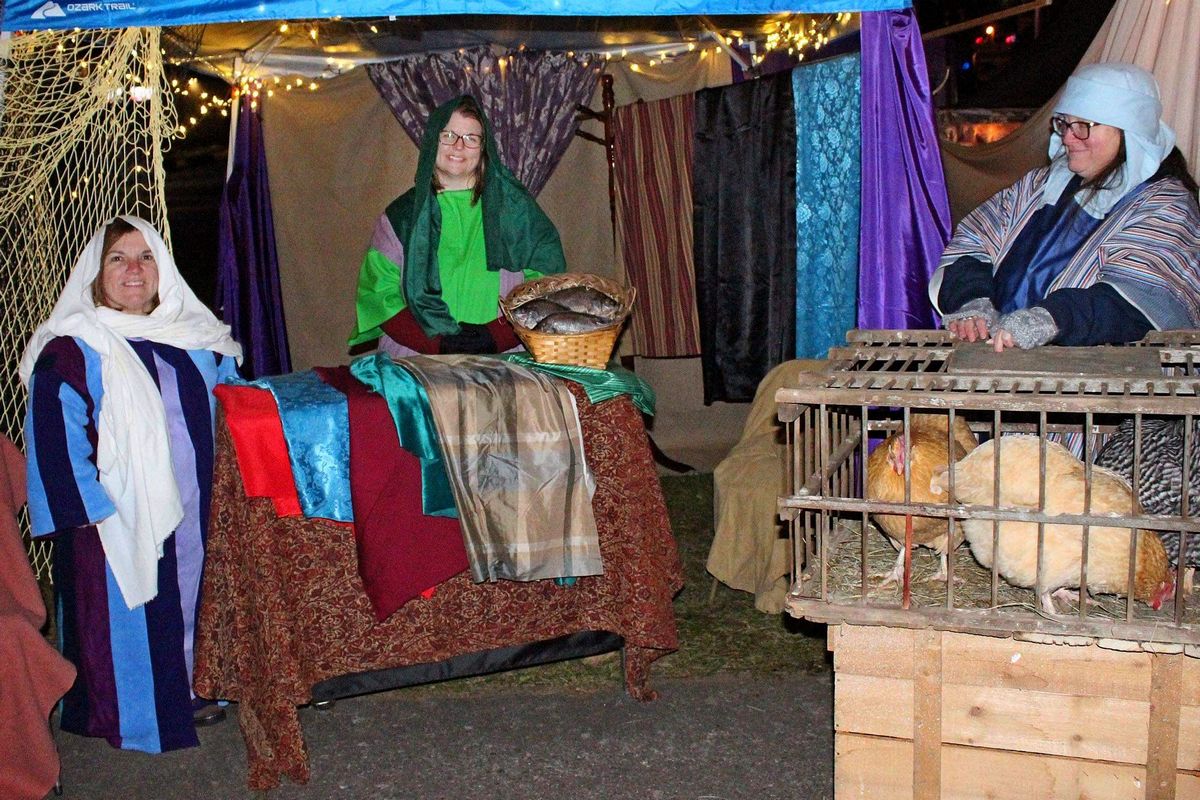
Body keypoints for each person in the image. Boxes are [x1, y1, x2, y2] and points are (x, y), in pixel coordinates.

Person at [20, 216, 242, 753]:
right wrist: (91, 514)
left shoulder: (199, 340)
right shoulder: (72, 349)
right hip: (114, 518)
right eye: (118, 258)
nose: (134, 269)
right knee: (122, 614)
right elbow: (52, 433)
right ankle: (133, 711)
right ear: (97, 274)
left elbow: (237, 414)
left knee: (196, 595)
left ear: (163, 270)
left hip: (198, 508)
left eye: (146, 257)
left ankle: (203, 685)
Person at [930, 63, 1200, 351]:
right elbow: (973, 243)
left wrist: (1052, 319)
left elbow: (1143, 297)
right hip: (1003, 365)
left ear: (1129, 131)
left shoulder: (1165, 205)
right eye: (1065, 123)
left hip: (1097, 384)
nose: (1068, 138)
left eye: (1084, 126)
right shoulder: (1039, 186)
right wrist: (972, 300)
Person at [349, 94, 567, 356]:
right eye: (448, 135)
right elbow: (380, 295)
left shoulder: (516, 211)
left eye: (471, 138)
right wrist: (436, 343)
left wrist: (497, 336)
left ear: (484, 148)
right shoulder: (400, 217)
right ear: (433, 140)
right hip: (419, 365)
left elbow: (546, 285)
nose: (459, 146)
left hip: (502, 363)